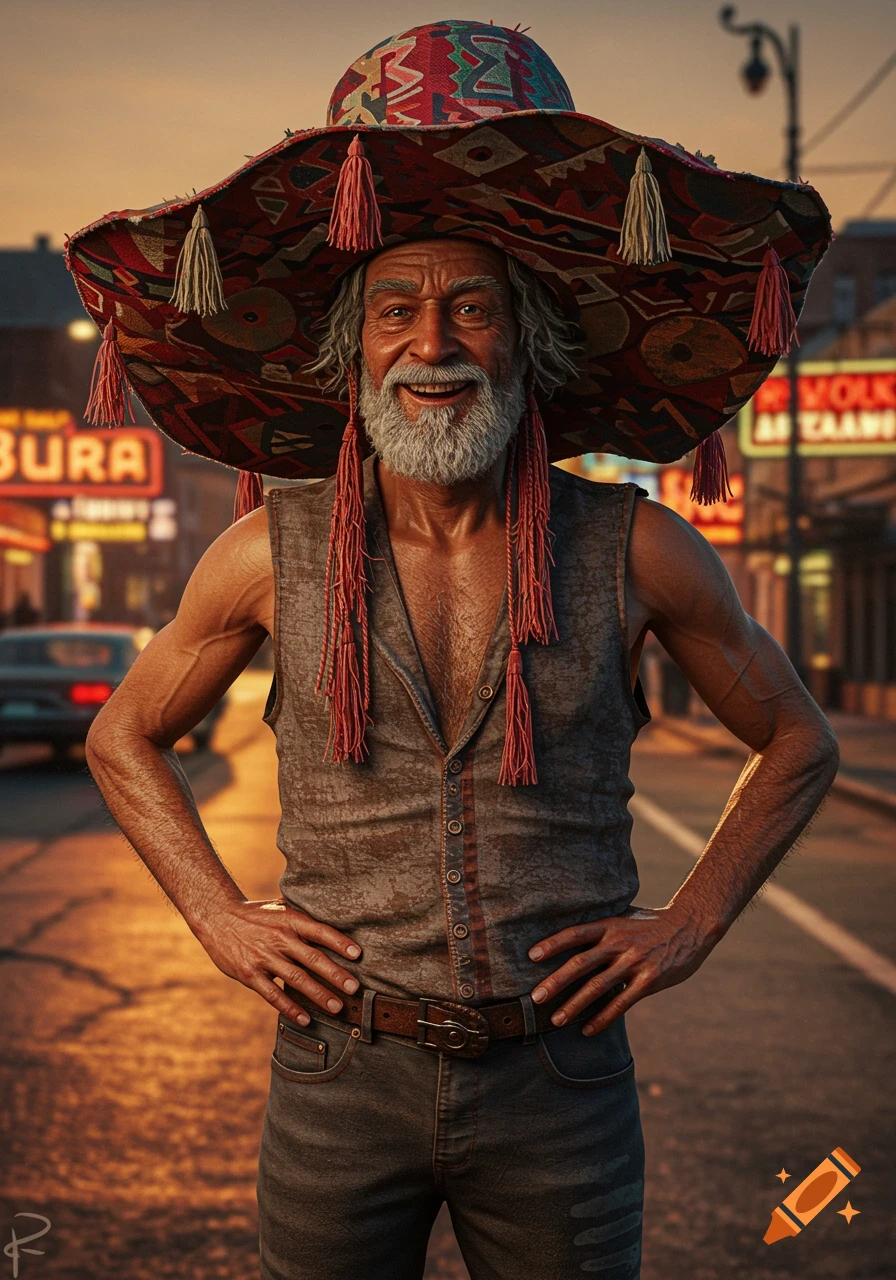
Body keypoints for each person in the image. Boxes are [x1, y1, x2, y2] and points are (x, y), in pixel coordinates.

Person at [70, 20, 837, 1279]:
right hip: (336, 1071)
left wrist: (688, 926)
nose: (432, 346)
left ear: (524, 343)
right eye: (396, 310)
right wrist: (217, 918)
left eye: (471, 307)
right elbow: (120, 732)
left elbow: (797, 738)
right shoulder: (273, 551)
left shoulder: (635, 547)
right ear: (352, 353)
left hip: (558, 1076)